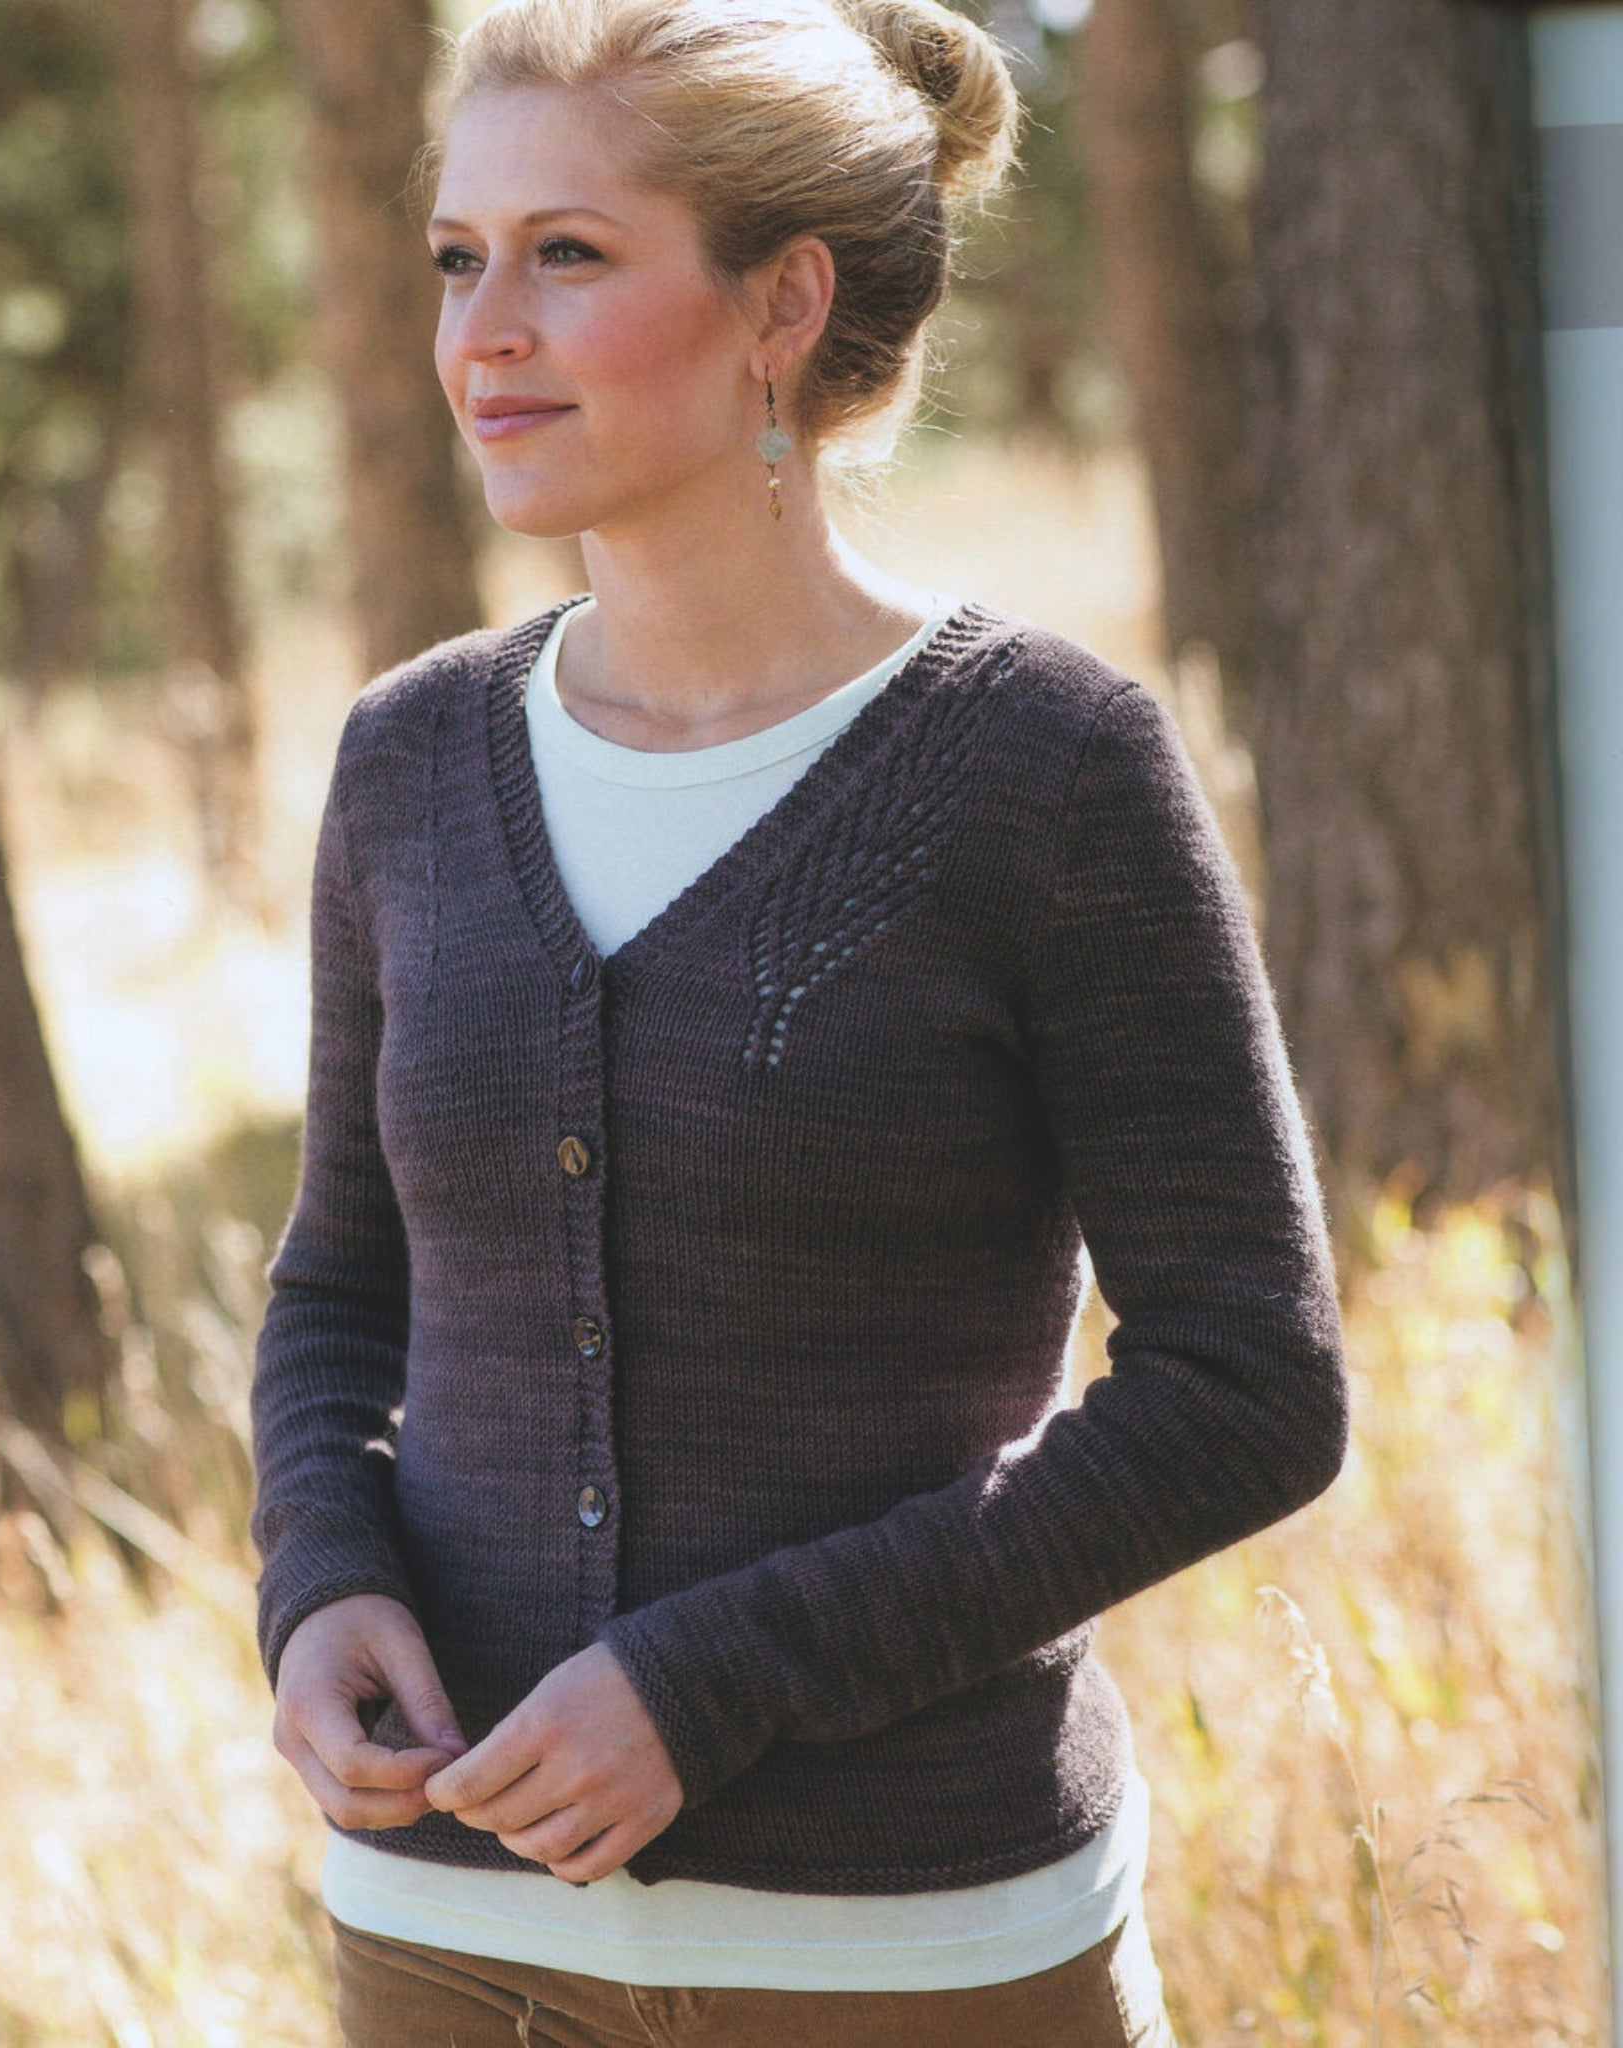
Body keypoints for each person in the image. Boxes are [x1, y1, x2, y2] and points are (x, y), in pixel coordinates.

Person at [250, 1, 1349, 2041]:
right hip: (443, 1946)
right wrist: (317, 1583)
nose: (483, 327)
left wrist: (714, 1677)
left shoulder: (1042, 767)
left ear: (782, 304)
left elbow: (1247, 1383)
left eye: (568, 254)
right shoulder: (405, 760)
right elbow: (337, 1288)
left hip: (909, 1956)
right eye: (455, 256)